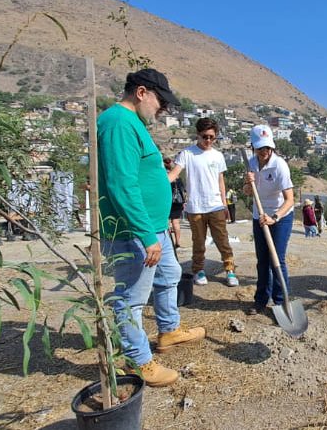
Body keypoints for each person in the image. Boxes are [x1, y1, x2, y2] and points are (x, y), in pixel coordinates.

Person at [98, 68, 204, 387]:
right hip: (134, 232)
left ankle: (168, 331)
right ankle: (137, 360)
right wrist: (146, 235)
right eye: (161, 101)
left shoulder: (134, 124)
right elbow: (122, 184)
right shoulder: (118, 123)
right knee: (131, 298)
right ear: (141, 92)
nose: (164, 109)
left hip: (154, 227)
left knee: (169, 275)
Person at [168, 117, 238, 287]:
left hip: (216, 206)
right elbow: (174, 174)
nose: (208, 140)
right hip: (195, 207)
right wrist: (158, 183)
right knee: (198, 242)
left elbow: (221, 180)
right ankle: (198, 270)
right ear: (198, 135)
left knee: (222, 240)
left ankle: (229, 269)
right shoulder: (187, 153)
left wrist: (225, 204)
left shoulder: (218, 155)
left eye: (211, 137)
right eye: (205, 136)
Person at [243, 125, 295, 315]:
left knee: (277, 259)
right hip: (259, 216)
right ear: (253, 147)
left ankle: (281, 302)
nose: (264, 152)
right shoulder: (251, 163)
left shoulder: (279, 165)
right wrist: (248, 183)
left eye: (267, 148)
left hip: (280, 216)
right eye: (260, 148)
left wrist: (274, 217)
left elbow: (290, 200)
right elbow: (248, 193)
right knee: (262, 260)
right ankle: (260, 300)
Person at [164, 157, 185, 248]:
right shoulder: (177, 177)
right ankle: (177, 241)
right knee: (176, 222)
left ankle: (168, 242)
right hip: (178, 202)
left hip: (167, 201)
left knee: (166, 222)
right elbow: (182, 190)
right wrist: (183, 202)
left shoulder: (164, 177)